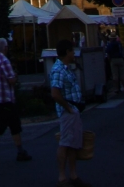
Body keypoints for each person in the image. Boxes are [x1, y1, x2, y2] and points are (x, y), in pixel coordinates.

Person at [50, 39, 89, 187]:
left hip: (73, 111)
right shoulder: (59, 69)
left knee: (73, 144)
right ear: (67, 52)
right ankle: (62, 178)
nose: (74, 53)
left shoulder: (66, 68)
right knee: (65, 143)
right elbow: (55, 93)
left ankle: (73, 175)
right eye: (72, 51)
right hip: (69, 112)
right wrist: (68, 108)